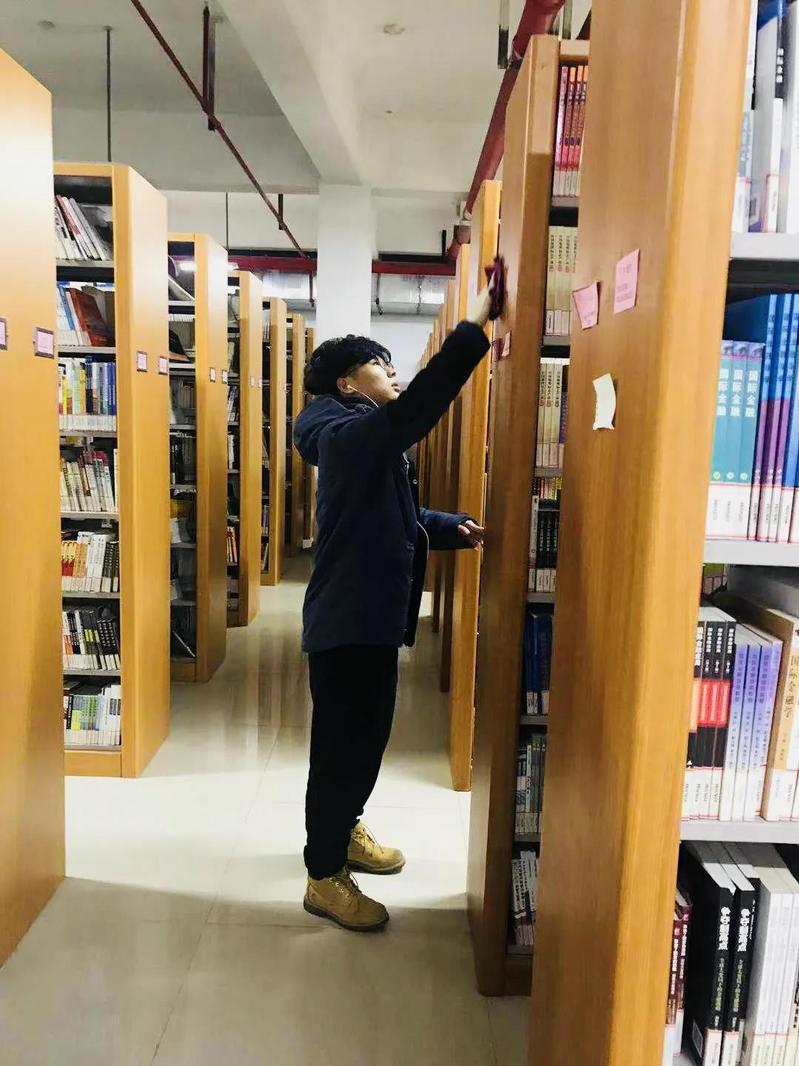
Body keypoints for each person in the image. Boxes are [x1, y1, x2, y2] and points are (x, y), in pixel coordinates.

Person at [293, 285, 496, 931]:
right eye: (381, 367)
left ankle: (345, 830)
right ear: (349, 384)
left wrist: (447, 526)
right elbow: (415, 412)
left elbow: (390, 514)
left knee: (367, 741)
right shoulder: (345, 435)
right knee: (341, 752)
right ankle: (324, 876)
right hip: (348, 623)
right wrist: (473, 332)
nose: (394, 375)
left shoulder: (354, 437)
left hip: (371, 618)